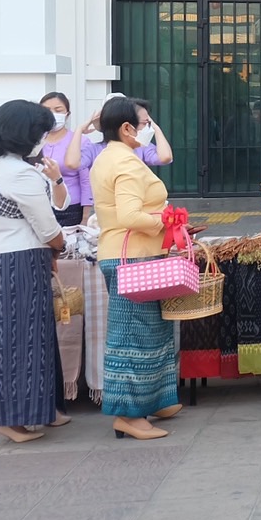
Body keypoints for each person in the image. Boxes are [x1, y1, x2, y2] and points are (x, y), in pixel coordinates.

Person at [0, 100, 69, 445]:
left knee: (15, 341)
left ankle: (35, 413)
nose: (42, 138)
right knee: (23, 344)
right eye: (40, 132)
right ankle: (7, 421)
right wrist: (61, 246)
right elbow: (47, 227)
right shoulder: (20, 174)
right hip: (20, 261)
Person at [90, 97, 182, 440]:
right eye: (144, 124)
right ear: (126, 128)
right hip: (132, 258)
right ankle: (127, 415)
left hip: (132, 255)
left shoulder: (111, 157)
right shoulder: (125, 164)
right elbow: (130, 216)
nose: (147, 130)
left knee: (151, 333)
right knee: (131, 338)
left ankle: (154, 400)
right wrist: (165, 220)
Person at [65, 94, 172, 174]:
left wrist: (156, 128)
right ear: (126, 126)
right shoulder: (94, 150)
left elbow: (165, 157)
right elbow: (72, 163)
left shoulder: (140, 147)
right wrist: (79, 130)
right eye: (144, 123)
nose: (147, 127)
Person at [39, 93, 88, 226]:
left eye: (58, 110)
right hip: (39, 207)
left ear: (67, 114)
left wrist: (85, 218)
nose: (53, 114)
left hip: (71, 209)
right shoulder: (33, 141)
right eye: (47, 110)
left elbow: (86, 181)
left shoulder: (80, 141)